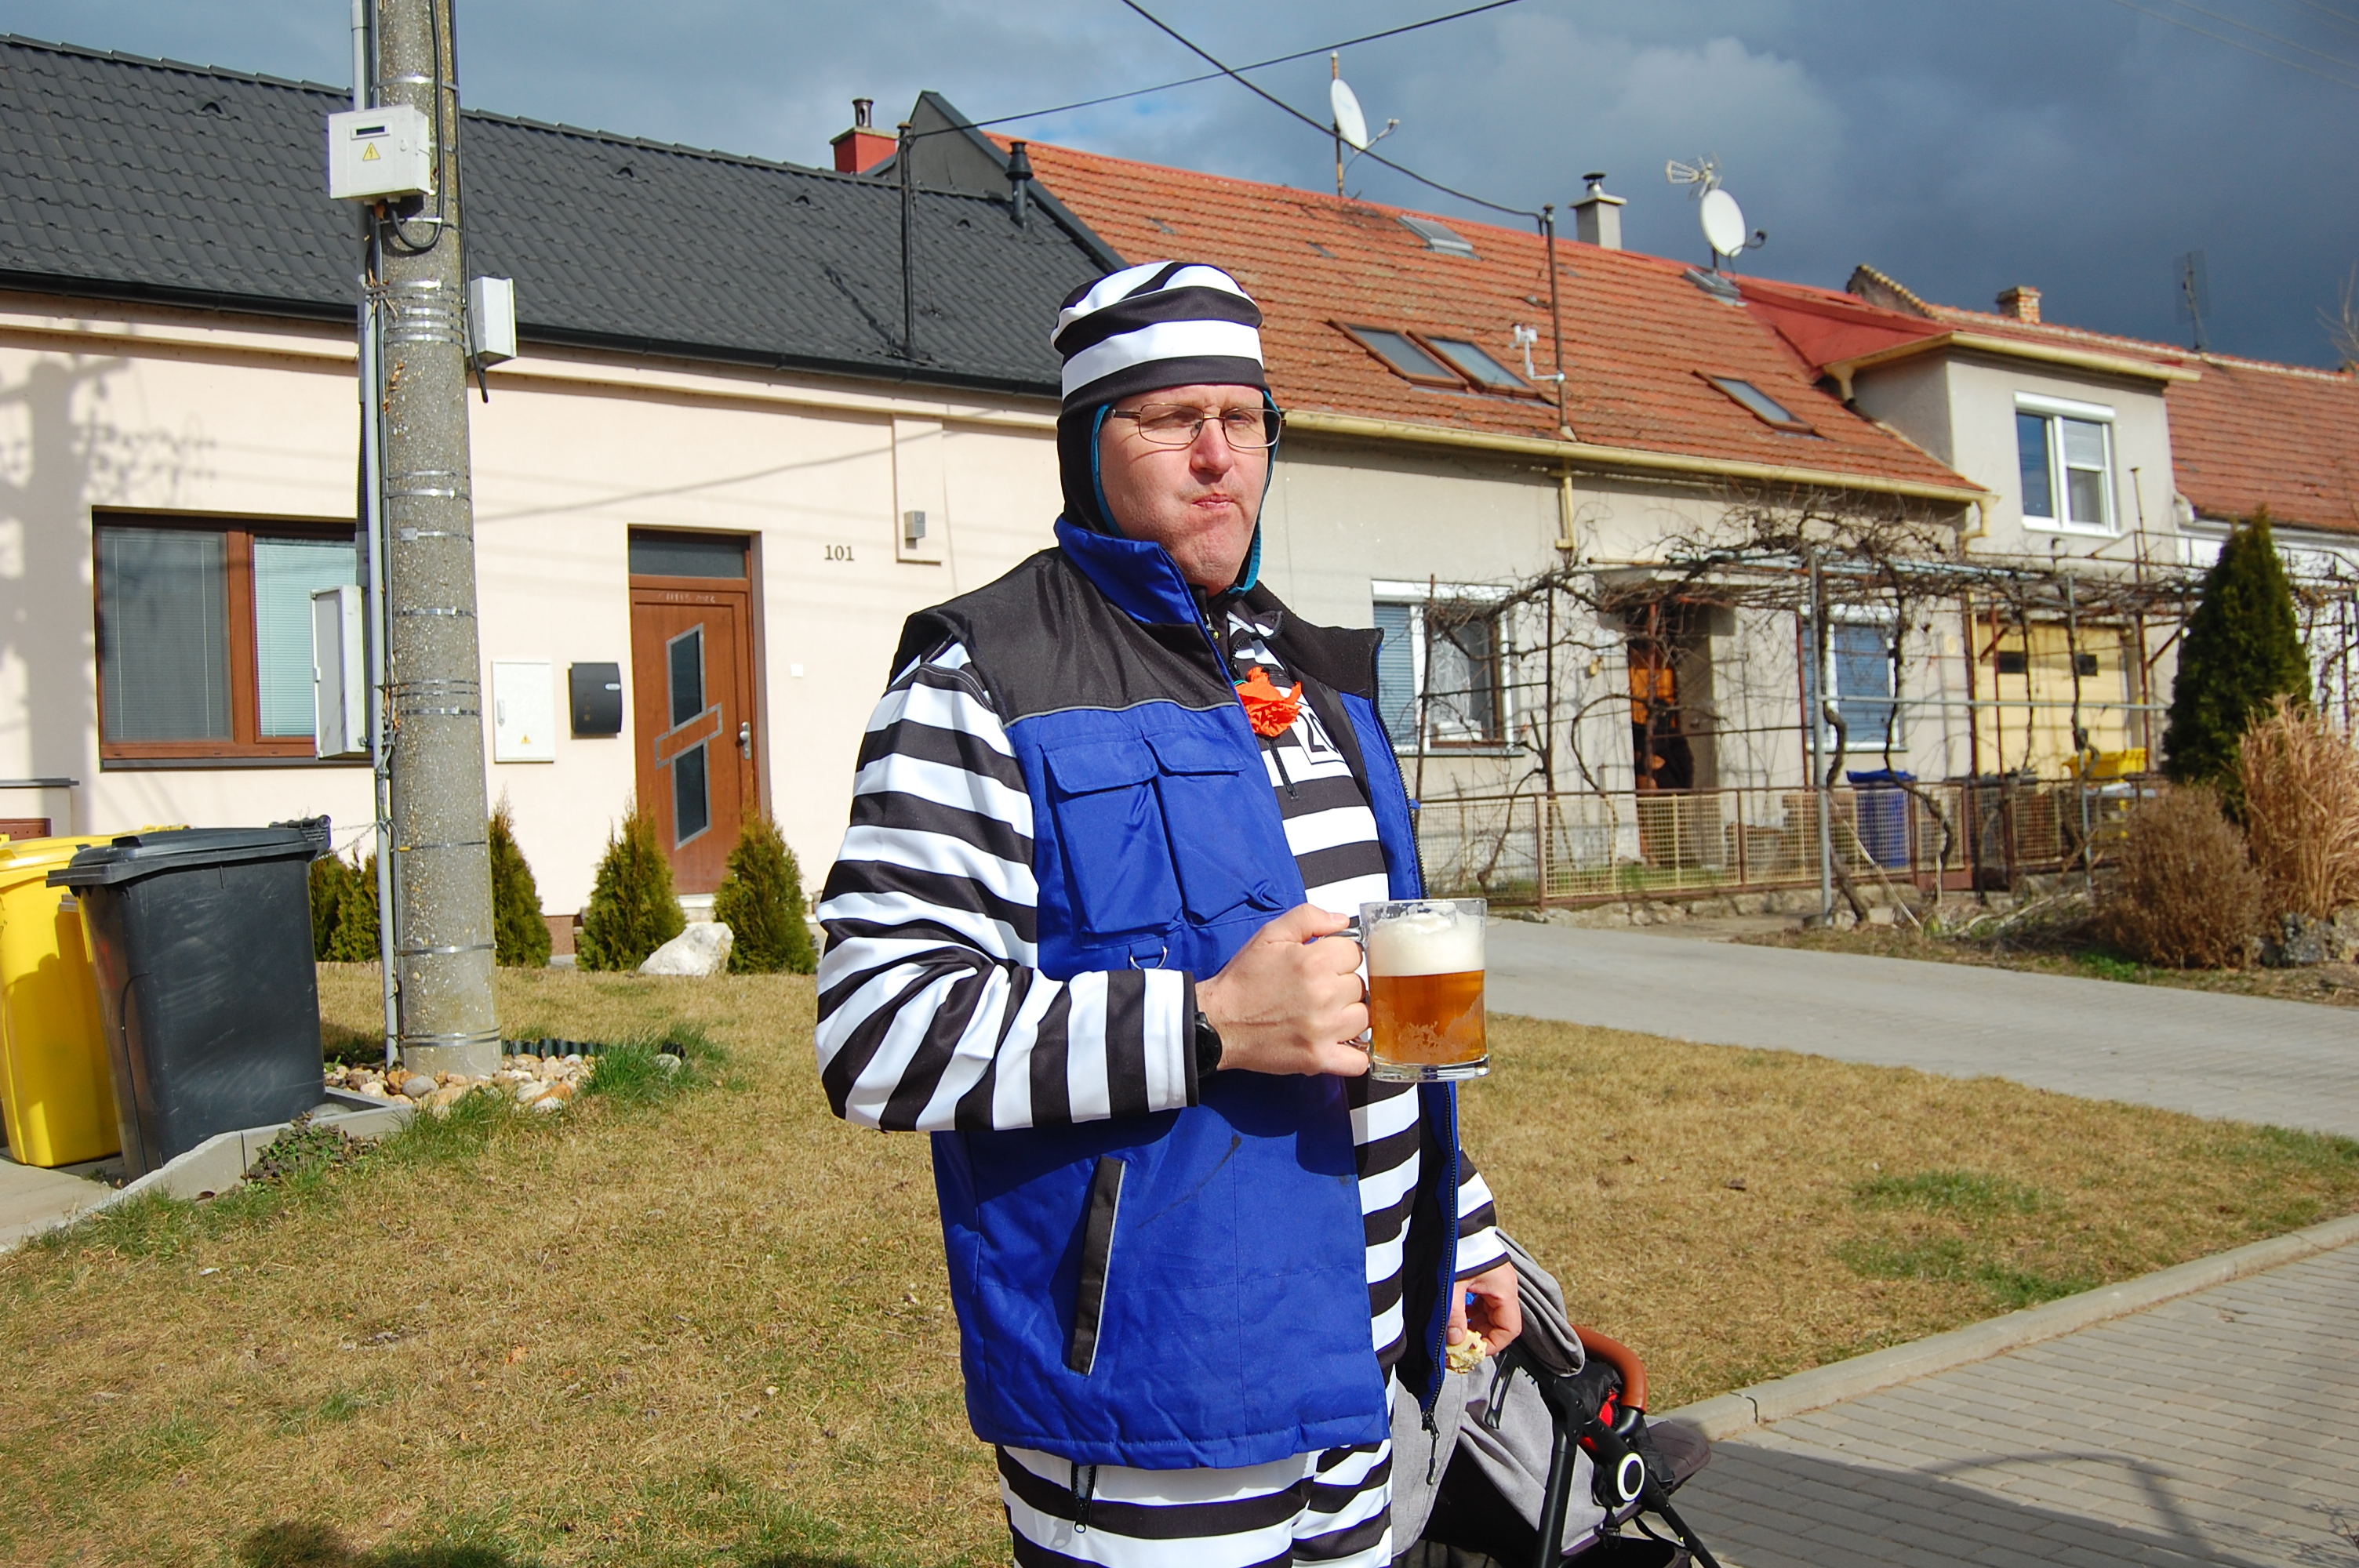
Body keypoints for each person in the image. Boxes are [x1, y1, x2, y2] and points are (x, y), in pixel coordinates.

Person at [815, 261, 1520, 1566]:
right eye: (1168, 419)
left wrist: (1462, 1230)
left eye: (1242, 419)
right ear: (1090, 445)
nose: (1216, 456)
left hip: (1361, 1360)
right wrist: (1207, 1023)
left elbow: (1373, 1007)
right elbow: (877, 1035)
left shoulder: (1317, 676)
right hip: (1155, 1385)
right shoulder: (983, 677)